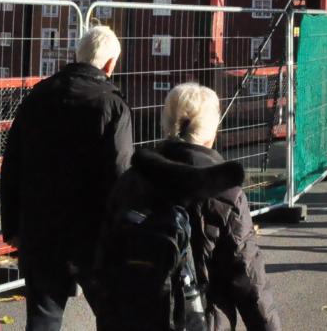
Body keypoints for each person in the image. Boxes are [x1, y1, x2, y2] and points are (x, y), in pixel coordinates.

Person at [95, 83, 280, 331]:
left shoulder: (130, 182)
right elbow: (248, 277)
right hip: (199, 319)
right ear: (211, 131)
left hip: (134, 317)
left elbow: (106, 259)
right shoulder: (224, 193)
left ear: (165, 124)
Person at [1, 24, 133, 331]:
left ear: (78, 55)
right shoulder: (113, 105)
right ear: (110, 64)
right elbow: (120, 173)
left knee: (43, 318)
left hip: (39, 229)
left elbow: (13, 164)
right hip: (93, 233)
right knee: (113, 314)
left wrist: (12, 226)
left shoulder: (37, 96)